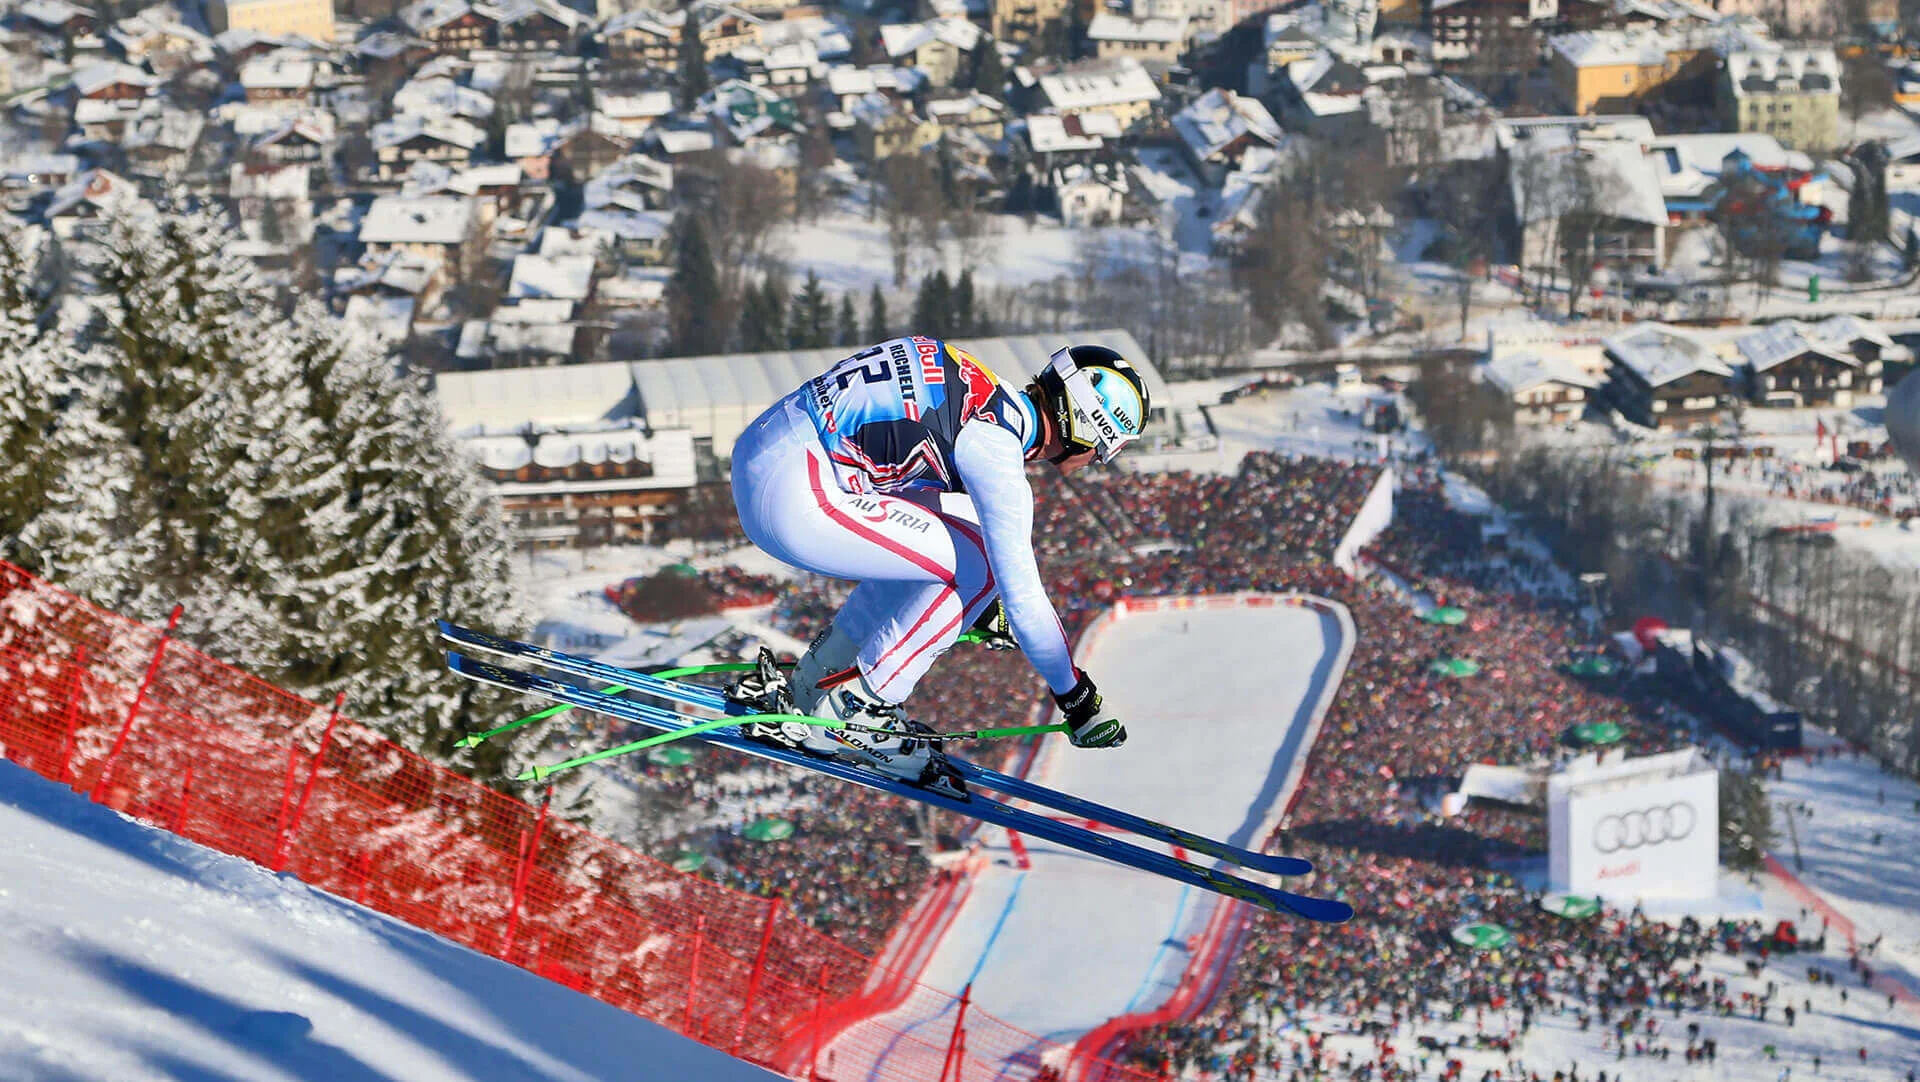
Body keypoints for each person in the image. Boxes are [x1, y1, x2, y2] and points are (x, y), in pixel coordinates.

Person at [729, 335, 1151, 797]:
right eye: (1104, 449)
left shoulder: (981, 390)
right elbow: (1025, 598)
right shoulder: (994, 448)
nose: (1097, 463)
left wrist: (981, 605)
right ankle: (861, 709)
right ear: (1085, 428)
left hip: (767, 458)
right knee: (984, 564)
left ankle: (818, 678)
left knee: (957, 536)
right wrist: (1076, 698)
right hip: (794, 497)